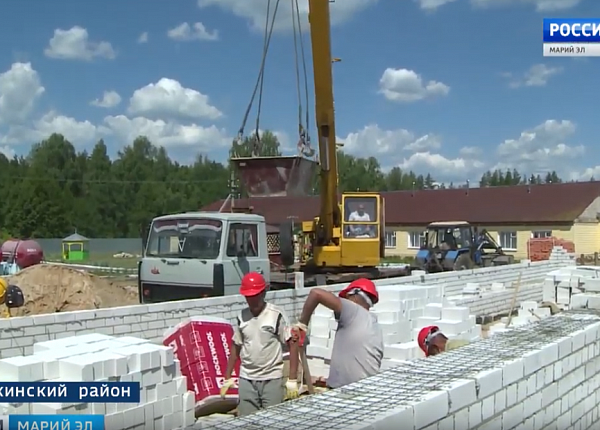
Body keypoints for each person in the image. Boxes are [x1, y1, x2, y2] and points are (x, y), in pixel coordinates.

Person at [220, 272, 300, 416]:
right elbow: (236, 346)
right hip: (247, 378)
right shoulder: (242, 317)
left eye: (255, 296)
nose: (251, 300)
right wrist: (227, 377)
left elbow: (292, 343)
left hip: (271, 378)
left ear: (263, 293)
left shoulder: (275, 315)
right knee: (247, 420)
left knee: (272, 420)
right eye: (248, 297)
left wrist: (292, 379)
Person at [292, 278, 383, 389]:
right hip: (368, 389)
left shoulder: (353, 310)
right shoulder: (374, 325)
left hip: (348, 391)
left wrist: (302, 324)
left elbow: (316, 293)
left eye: (346, 298)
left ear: (354, 296)